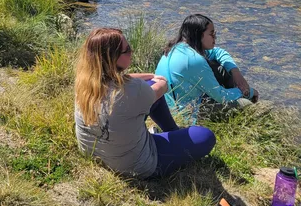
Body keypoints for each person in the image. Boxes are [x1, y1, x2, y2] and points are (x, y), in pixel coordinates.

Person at [74, 27, 216, 179]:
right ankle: (172, 133)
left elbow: (123, 78)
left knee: (149, 87)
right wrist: (160, 79)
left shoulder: (85, 84)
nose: (132, 51)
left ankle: (172, 132)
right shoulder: (133, 90)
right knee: (205, 136)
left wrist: (150, 76)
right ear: (112, 58)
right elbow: (161, 87)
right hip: (138, 165)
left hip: (95, 153)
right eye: (127, 49)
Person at [155, 14, 258, 123]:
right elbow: (221, 96)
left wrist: (235, 72)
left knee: (220, 67)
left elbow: (218, 52)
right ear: (198, 34)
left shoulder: (176, 48)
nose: (215, 38)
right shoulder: (194, 60)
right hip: (186, 115)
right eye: (212, 34)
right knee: (246, 104)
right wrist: (249, 92)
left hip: (166, 109)